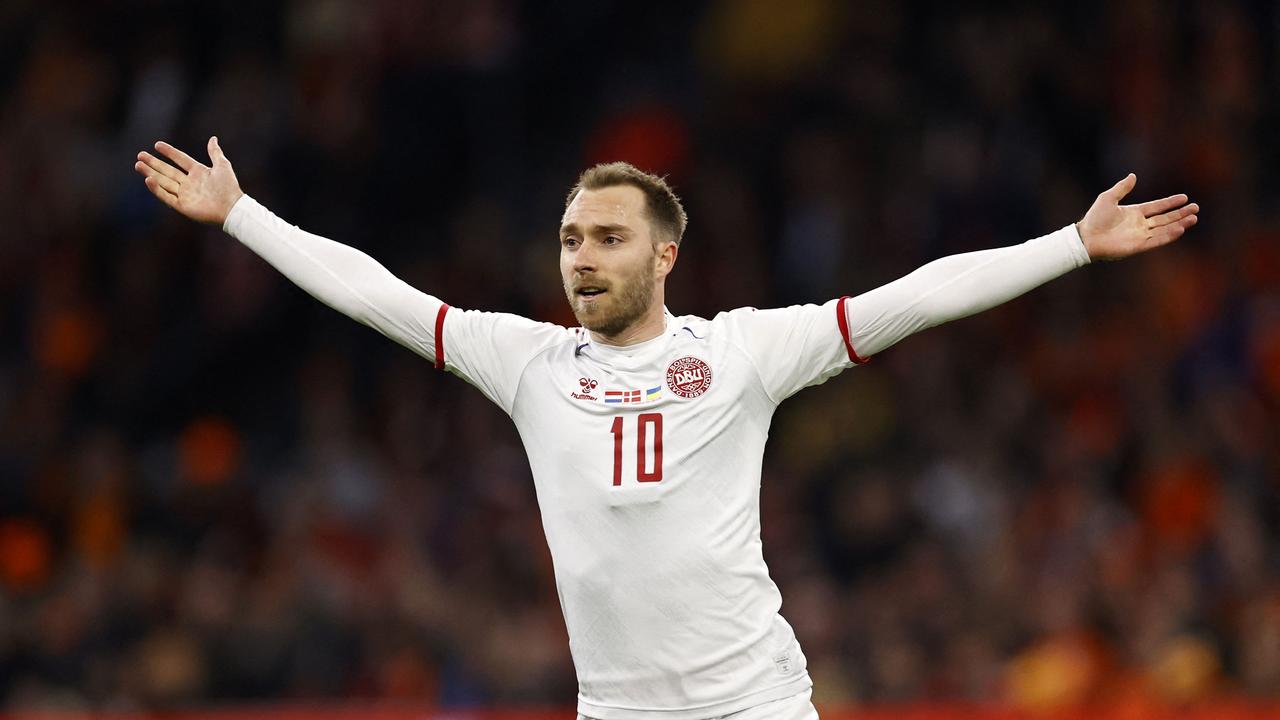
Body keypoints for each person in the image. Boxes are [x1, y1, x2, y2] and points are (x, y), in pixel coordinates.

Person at [133, 137, 1198, 720]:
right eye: (567, 239)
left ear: (663, 257)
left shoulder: (740, 352)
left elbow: (913, 296)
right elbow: (380, 295)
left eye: (606, 236)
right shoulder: (529, 363)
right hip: (617, 714)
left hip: (752, 707)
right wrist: (242, 216)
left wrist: (1068, 241)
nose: (581, 256)